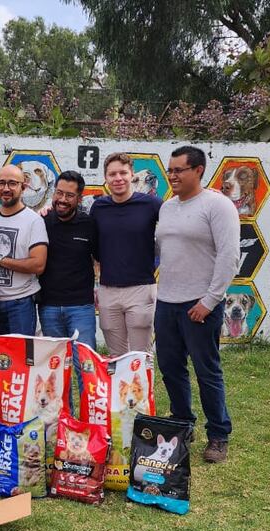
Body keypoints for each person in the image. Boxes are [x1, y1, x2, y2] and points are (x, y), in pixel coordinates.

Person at [154, 145, 240, 463]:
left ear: (198, 170)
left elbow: (229, 257)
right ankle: (182, 423)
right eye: (170, 170)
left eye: (179, 170)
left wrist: (210, 300)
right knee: (171, 369)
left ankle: (218, 435)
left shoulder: (217, 205)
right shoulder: (168, 207)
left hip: (199, 305)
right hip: (166, 303)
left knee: (207, 371)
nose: (172, 176)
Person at [90, 152, 163, 356]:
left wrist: (206, 195)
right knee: (116, 356)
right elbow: (94, 247)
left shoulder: (151, 204)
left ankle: (142, 389)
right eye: (112, 174)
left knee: (141, 355)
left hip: (141, 288)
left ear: (132, 175)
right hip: (108, 289)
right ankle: (120, 389)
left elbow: (178, 220)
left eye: (123, 172)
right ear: (106, 178)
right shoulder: (99, 207)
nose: (118, 178)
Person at [37, 170, 97, 401]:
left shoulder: (89, 224)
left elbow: (101, 257)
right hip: (48, 307)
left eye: (69, 195)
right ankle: (63, 419)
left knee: (86, 366)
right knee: (56, 369)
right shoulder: (41, 221)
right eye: (59, 193)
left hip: (81, 307)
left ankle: (89, 419)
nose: (62, 199)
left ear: (79, 198)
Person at [0, 164, 48, 336]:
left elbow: (38, 265)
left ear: (24, 186)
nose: (6, 188)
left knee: (19, 359)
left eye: (12, 183)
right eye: (1, 183)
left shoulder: (33, 221)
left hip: (20, 304)